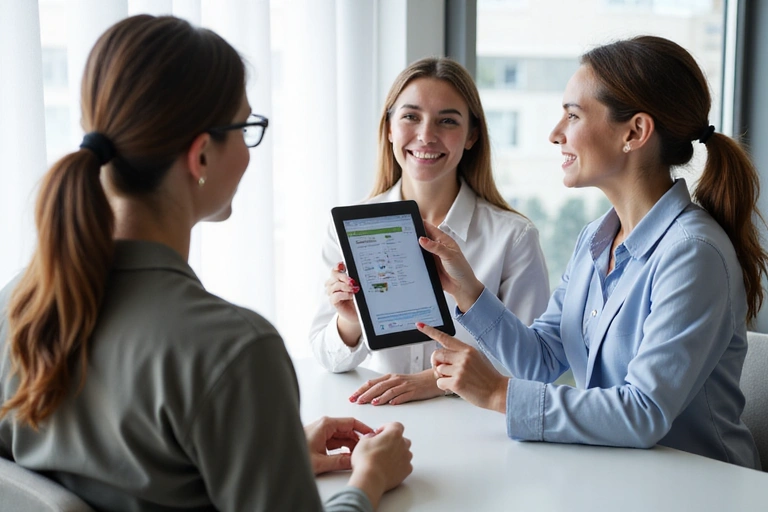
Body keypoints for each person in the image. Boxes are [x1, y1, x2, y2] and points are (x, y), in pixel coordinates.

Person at [0, 15, 412, 511]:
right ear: (200, 156)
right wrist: (367, 480)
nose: (248, 150)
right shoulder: (234, 351)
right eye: (246, 128)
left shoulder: (19, 304)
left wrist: (268, 452)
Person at [416, 35, 765, 469]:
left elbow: (643, 413)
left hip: (698, 490)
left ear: (634, 132)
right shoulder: (595, 240)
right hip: (613, 475)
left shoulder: (693, 254)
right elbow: (541, 359)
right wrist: (466, 289)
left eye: (573, 115)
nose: (555, 133)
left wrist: (497, 394)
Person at [309, 57, 550, 406]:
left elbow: (532, 364)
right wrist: (350, 322)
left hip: (477, 433)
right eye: (410, 116)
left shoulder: (513, 238)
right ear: (389, 127)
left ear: (472, 136)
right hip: (381, 422)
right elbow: (326, 357)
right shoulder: (349, 227)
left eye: (447, 121)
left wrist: (434, 382)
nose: (426, 135)